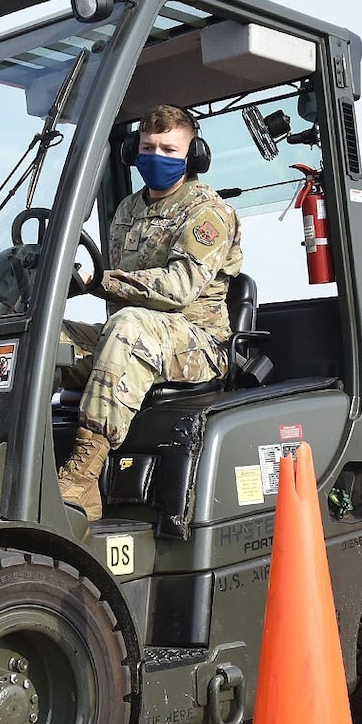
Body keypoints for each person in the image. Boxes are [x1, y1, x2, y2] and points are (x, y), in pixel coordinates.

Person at [55, 104, 243, 522]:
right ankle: (17, 451)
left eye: (170, 149)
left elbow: (178, 289)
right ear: (131, 152)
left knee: (127, 324)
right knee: (46, 336)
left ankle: (83, 478)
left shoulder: (208, 212)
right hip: (136, 338)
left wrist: (101, 280)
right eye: (148, 147)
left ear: (194, 156)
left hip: (197, 344)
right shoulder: (127, 210)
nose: (156, 156)